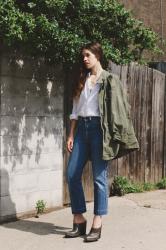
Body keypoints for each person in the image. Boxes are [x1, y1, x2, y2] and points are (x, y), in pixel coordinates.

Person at [65, 42, 139, 242]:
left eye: (88, 55)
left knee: (99, 177)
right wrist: (71, 135)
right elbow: (75, 111)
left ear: (97, 55)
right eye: (83, 56)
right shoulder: (82, 79)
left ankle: (97, 221)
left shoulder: (108, 80)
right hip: (82, 129)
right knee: (72, 174)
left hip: (100, 130)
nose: (85, 59)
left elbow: (119, 108)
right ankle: (79, 219)